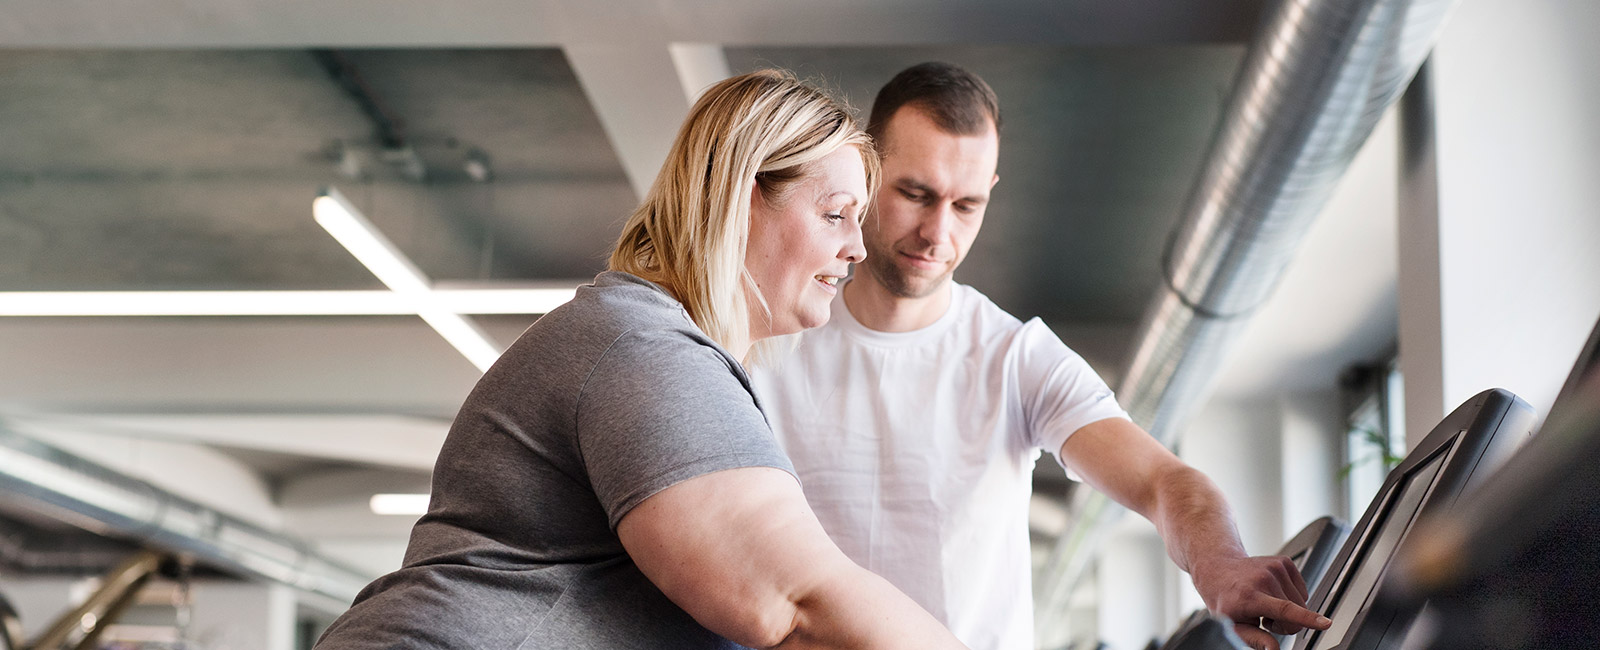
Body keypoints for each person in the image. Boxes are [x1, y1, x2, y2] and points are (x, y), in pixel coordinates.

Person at [314, 70, 968, 650]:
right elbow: (796, 605)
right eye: (835, 215)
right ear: (740, 200)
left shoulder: (648, 344)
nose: (858, 247)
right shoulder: (646, 351)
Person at [749, 62, 1330, 650]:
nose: (937, 233)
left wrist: (1220, 565)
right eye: (915, 193)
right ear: (866, 173)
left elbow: (1163, 481)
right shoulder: (765, 343)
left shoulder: (1016, 357)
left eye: (967, 205)